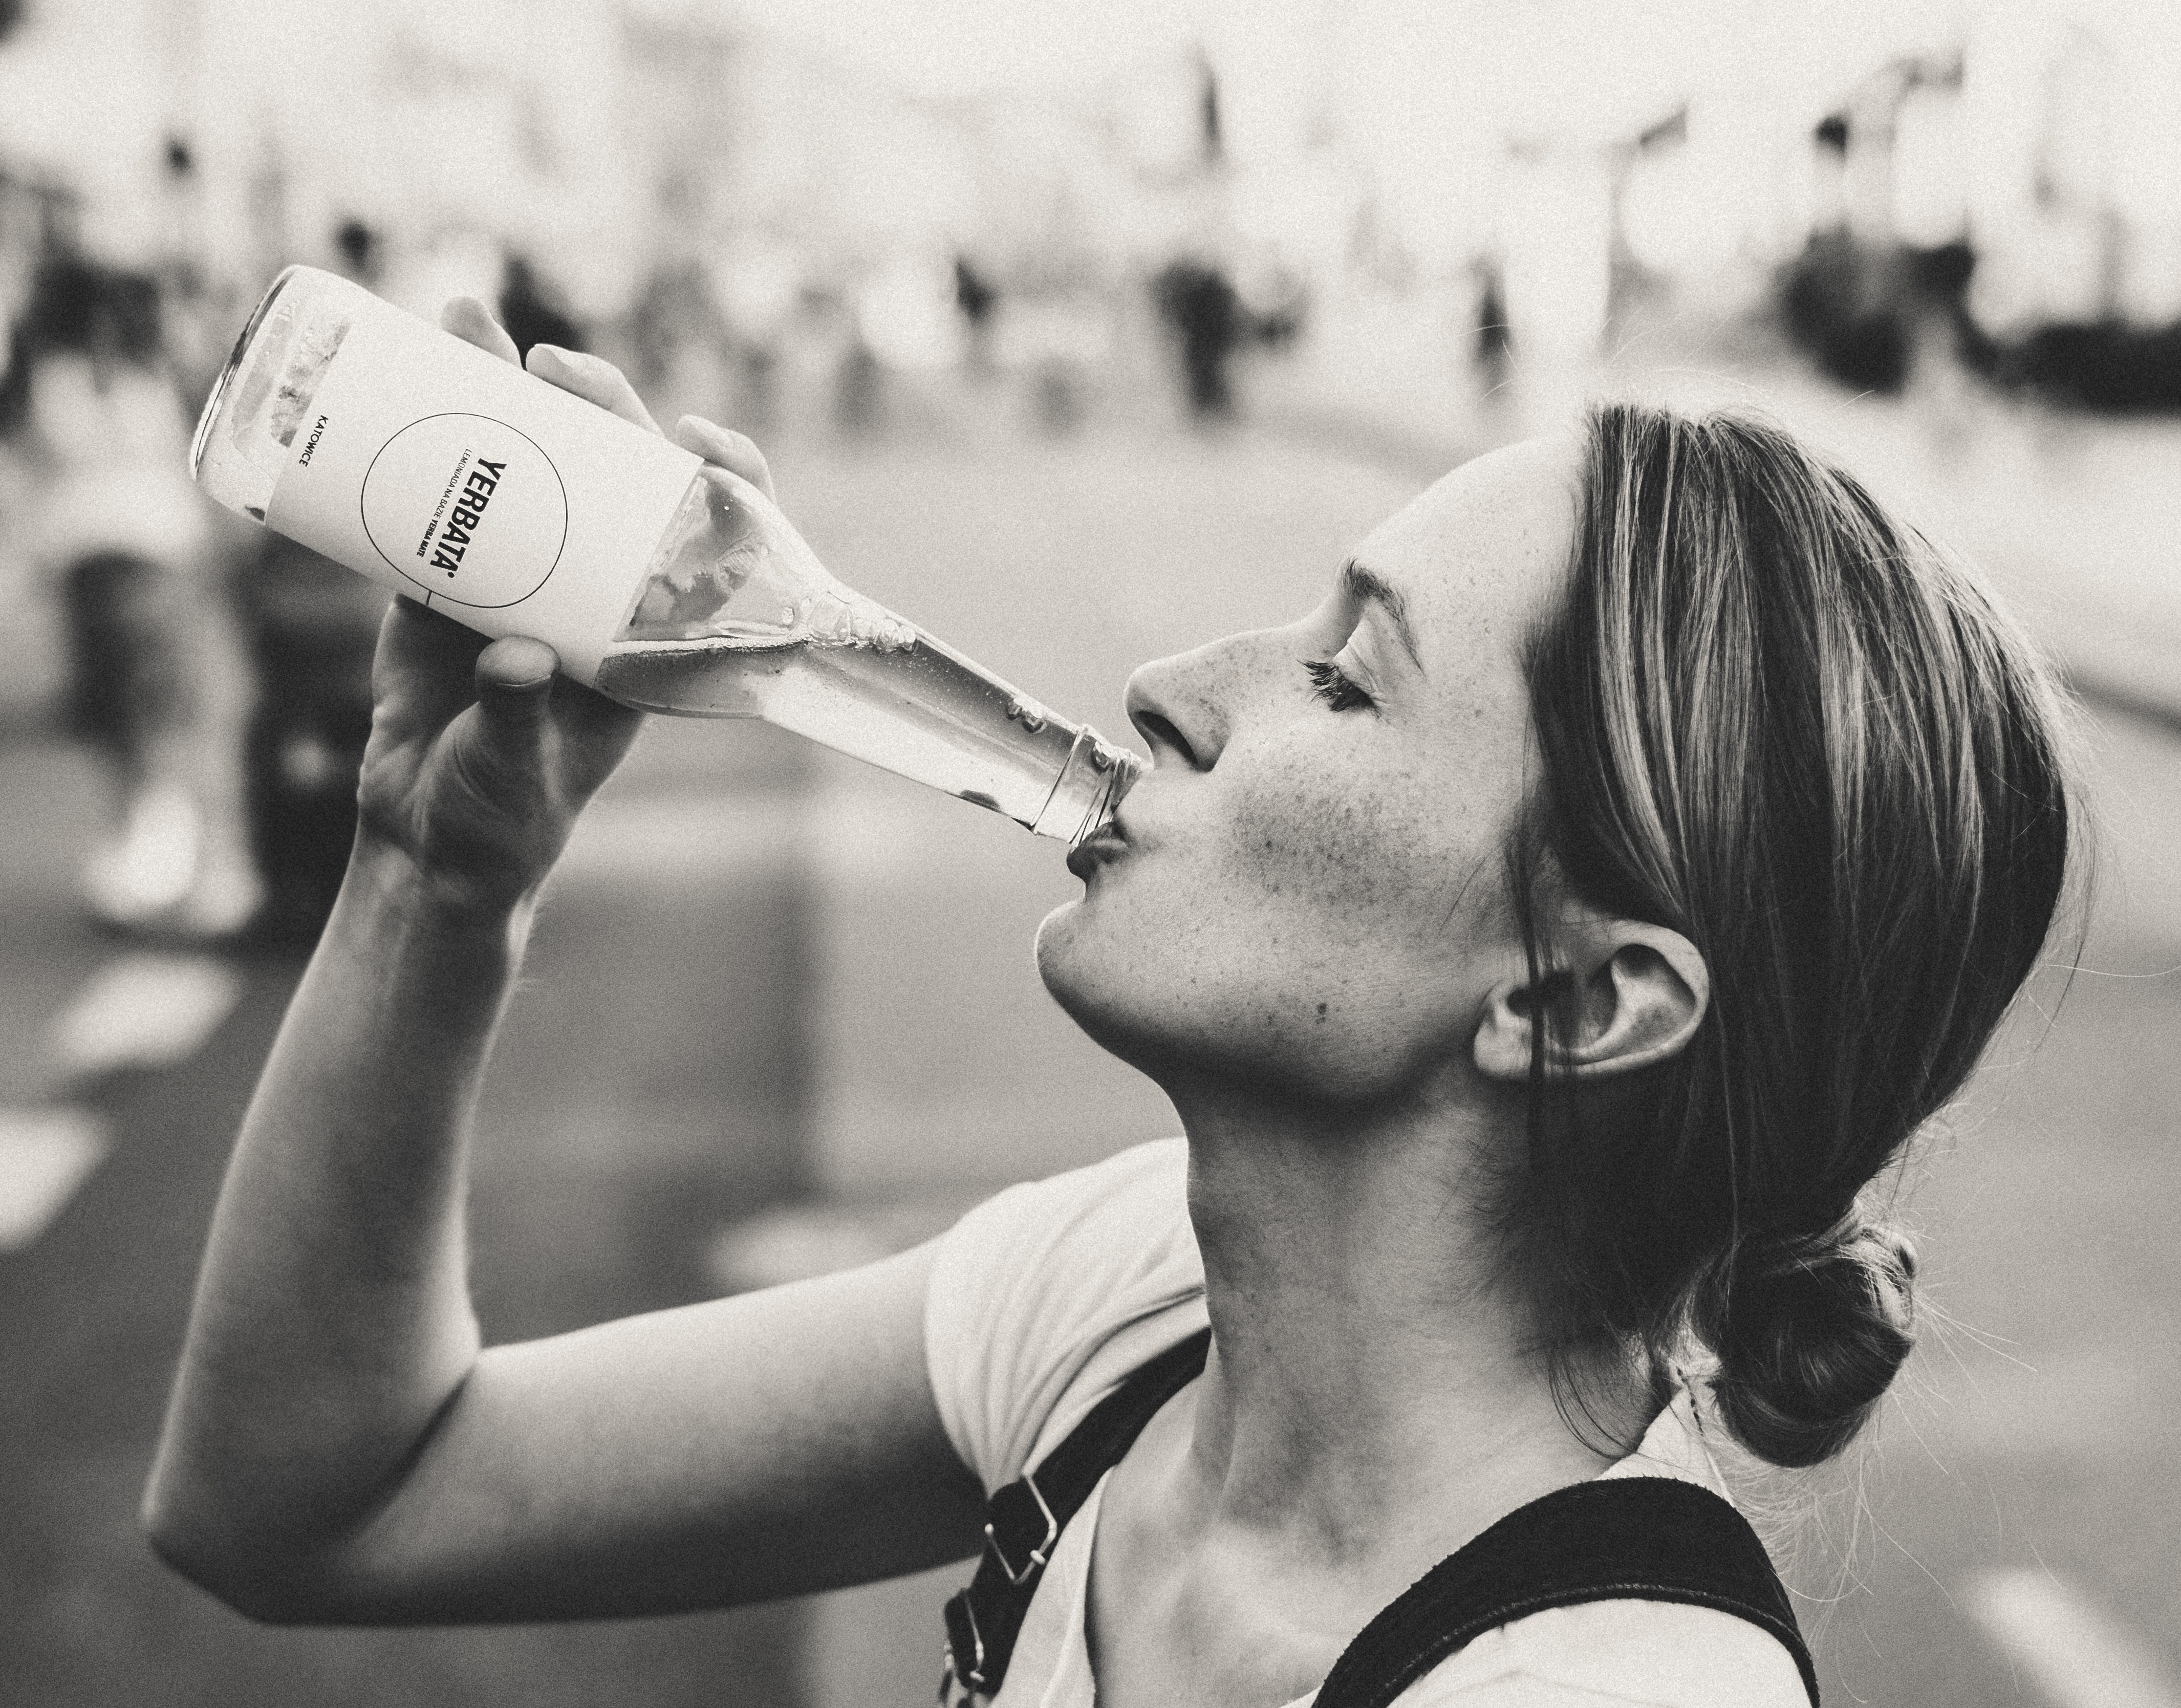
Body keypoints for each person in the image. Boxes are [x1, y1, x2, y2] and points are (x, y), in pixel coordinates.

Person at [144, 298, 2075, 1705]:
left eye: (1343, 679)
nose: (1168, 682)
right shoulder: (1145, 1311)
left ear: (1580, 1000)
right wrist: (436, 873)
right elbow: (316, 1496)